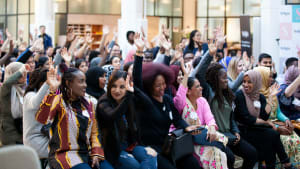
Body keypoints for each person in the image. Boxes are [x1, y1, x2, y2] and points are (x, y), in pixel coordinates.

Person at [133, 34, 202, 169]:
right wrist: (139, 52)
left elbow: (176, 119)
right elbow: (137, 81)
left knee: (192, 163)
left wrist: (186, 127)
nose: (162, 88)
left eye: (164, 84)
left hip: (168, 145)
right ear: (149, 86)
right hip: (150, 149)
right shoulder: (145, 101)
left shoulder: (167, 99)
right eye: (158, 85)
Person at [194, 40, 258, 169]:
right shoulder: (209, 92)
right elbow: (199, 73)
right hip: (216, 136)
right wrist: (209, 54)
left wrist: (236, 131)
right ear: (215, 79)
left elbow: (230, 117)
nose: (226, 80)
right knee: (229, 157)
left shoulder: (227, 93)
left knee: (252, 153)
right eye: (224, 78)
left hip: (230, 135)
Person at [36, 66, 107, 169]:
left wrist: (96, 152)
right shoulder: (58, 100)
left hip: (87, 153)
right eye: (81, 82)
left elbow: (95, 132)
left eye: (85, 82)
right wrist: (52, 91)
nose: (85, 85)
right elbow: (42, 118)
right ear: (69, 83)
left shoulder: (89, 103)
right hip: (64, 154)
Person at [234, 70, 296, 169]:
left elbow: (264, 116)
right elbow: (247, 119)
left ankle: (279, 164)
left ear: (256, 82)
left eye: (249, 82)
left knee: (270, 137)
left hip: (255, 128)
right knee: (271, 134)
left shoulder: (260, 96)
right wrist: (267, 123)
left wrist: (271, 98)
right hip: (243, 129)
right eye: (244, 81)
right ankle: (286, 163)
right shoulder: (239, 95)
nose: (246, 84)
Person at [96, 70, 157, 169]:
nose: (117, 90)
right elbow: (113, 116)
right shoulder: (104, 102)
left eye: (122, 87)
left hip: (130, 146)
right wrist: (128, 95)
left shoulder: (129, 99)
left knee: (152, 156)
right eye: (114, 86)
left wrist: (133, 89)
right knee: (135, 166)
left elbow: (149, 105)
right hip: (113, 150)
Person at [173, 68, 228, 169]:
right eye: (197, 86)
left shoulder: (202, 101)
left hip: (203, 138)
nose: (201, 88)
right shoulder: (182, 104)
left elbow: (210, 118)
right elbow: (179, 98)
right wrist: (186, 75)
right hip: (189, 142)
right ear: (188, 91)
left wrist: (211, 127)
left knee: (223, 155)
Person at [254, 66, 300, 168]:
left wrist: (286, 119)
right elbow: (263, 117)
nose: (271, 79)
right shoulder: (257, 95)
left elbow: (278, 112)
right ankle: (282, 165)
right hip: (267, 125)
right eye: (268, 77)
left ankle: (295, 165)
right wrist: (277, 126)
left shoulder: (272, 91)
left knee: (294, 138)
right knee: (284, 140)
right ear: (262, 78)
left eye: (271, 76)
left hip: (277, 122)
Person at [23, 67, 50, 168]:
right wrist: (48, 83)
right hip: (36, 142)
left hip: (45, 138)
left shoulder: (48, 96)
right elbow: (35, 103)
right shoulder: (30, 96)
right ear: (41, 83)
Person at [0, 62, 30, 145]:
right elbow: (7, 84)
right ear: (13, 75)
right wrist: (20, 71)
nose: (24, 76)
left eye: (25, 74)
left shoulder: (24, 89)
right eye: (22, 74)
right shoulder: (5, 90)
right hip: (10, 134)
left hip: (23, 133)